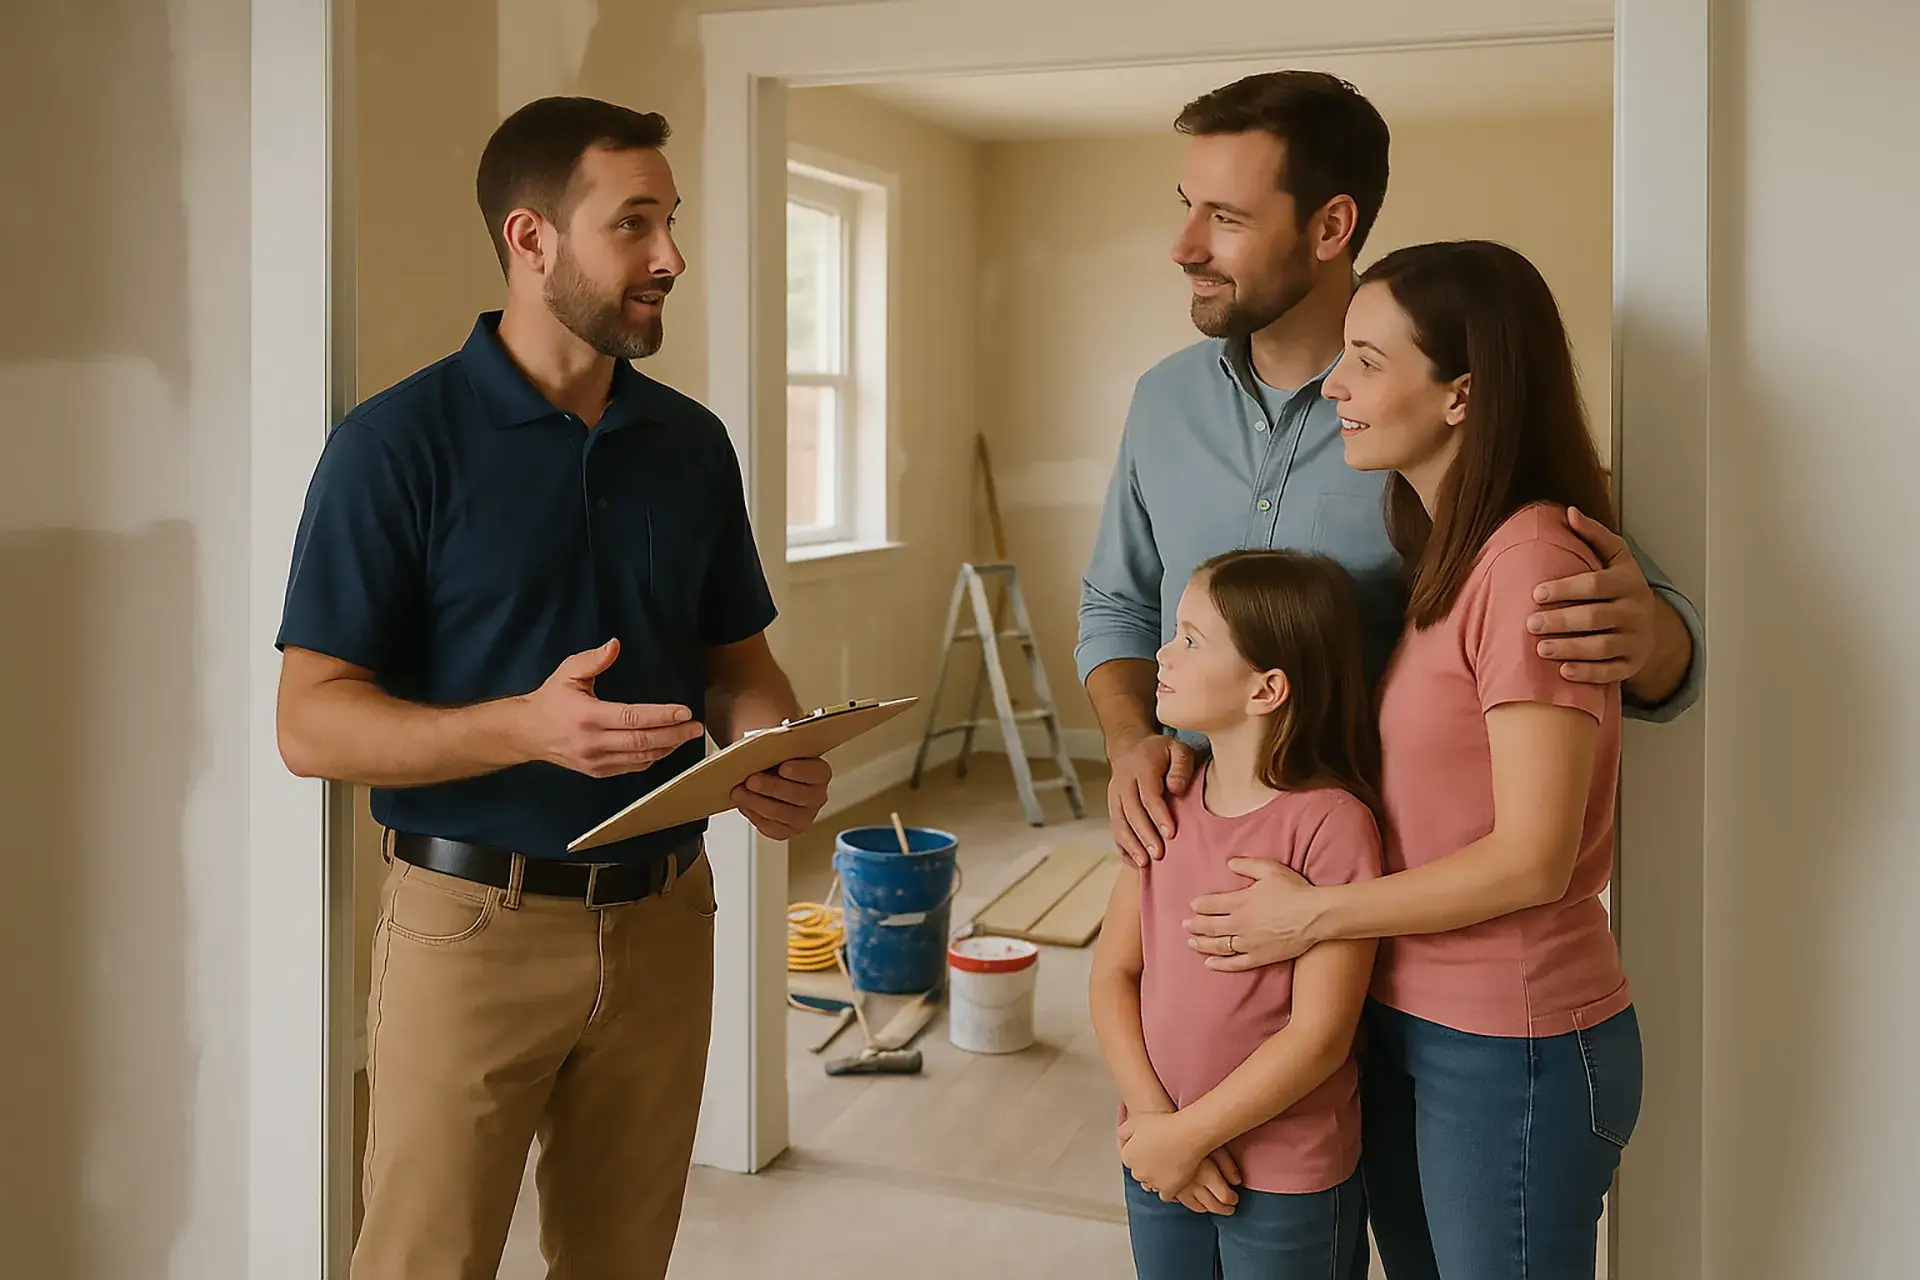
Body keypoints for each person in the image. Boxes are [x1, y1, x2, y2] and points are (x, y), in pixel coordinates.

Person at [274, 97, 830, 1280]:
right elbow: (310, 720)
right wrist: (522, 727)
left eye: (670, 221)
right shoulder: (394, 445)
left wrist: (771, 745)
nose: (670, 256)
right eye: (634, 224)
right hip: (471, 928)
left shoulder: (692, 444)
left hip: (670, 917)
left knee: (622, 1262)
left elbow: (739, 663)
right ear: (532, 240)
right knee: (424, 1261)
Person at [1079, 71, 1703, 871]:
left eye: (1225, 217)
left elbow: (1647, 636)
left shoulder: (1424, 412)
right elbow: (1115, 603)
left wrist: (1648, 636)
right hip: (1192, 853)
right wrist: (1131, 739)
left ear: (1331, 224)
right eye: (1186, 205)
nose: (1184, 246)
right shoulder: (1162, 401)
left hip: (1390, 884)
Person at [1190, 240, 1644, 1277]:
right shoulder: (1452, 552)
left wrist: (1310, 913)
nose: (1334, 386)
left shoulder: (1530, 560)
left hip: (1511, 1039)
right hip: (1415, 1014)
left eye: (1366, 360)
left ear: (1461, 394)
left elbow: (1534, 857)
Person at [1090, 549, 1383, 1279]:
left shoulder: (1331, 825)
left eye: (1191, 638)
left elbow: (1320, 1037)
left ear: (1266, 688)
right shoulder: (1166, 803)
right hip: (1154, 1154)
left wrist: (1189, 1136)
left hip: (1289, 1176)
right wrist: (1157, 1128)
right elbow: (1112, 975)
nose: (1162, 651)